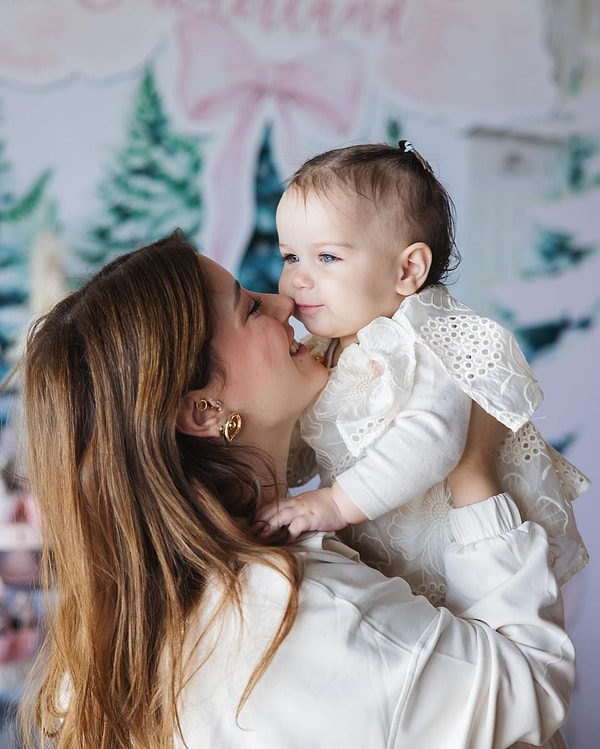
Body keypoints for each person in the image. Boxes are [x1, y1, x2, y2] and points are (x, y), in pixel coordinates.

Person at [17, 231, 574, 748]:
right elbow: (530, 687)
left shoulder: (116, 636)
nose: (285, 302)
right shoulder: (303, 613)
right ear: (205, 409)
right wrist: (472, 468)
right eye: (250, 307)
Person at [255, 141, 589, 607]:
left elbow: (432, 439)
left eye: (326, 257)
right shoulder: (323, 349)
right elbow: (309, 443)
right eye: (291, 257)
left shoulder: (423, 343)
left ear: (408, 269)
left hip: (454, 555)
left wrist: (332, 503)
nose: (297, 280)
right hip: (377, 553)